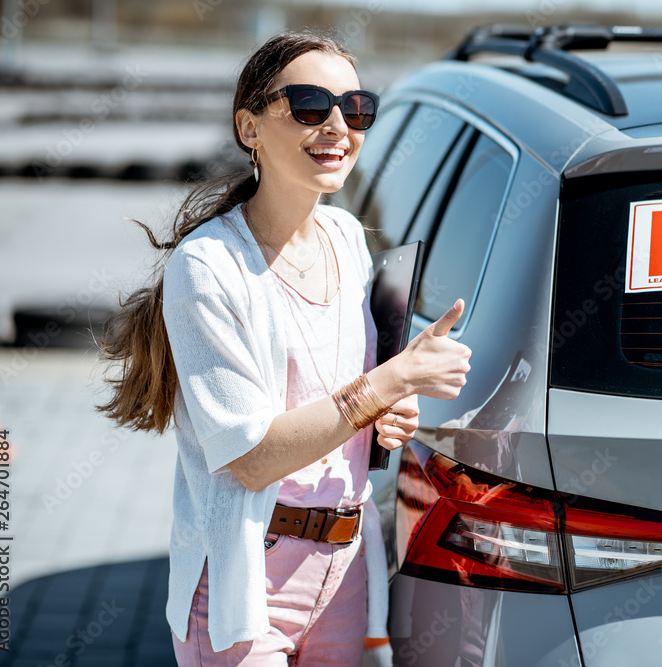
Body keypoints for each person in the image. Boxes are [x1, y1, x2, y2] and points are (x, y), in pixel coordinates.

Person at [95, 30, 472, 666]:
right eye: (307, 105)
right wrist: (390, 382)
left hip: (344, 570)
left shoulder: (348, 238)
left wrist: (388, 413)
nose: (337, 126)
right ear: (250, 127)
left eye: (356, 110)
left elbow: (335, 397)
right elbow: (253, 457)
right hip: (245, 573)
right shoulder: (208, 267)